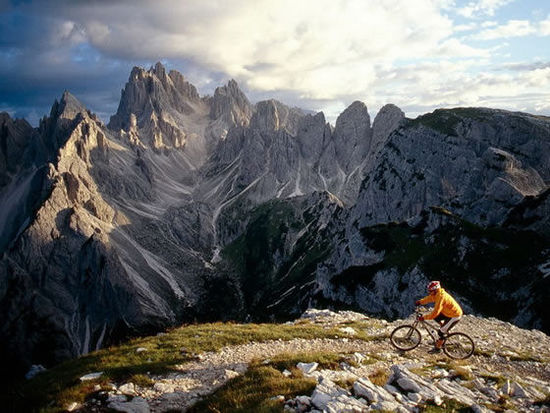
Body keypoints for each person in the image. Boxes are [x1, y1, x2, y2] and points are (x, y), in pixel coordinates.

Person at [415, 280, 463, 352]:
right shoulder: (436, 293)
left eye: (430, 291)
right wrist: (420, 302)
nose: (429, 292)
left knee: (440, 332)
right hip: (448, 312)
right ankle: (444, 329)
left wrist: (424, 318)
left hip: (455, 315)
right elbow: (430, 298)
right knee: (436, 318)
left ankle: (438, 348)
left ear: (435, 290)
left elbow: (435, 312)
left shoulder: (441, 297)